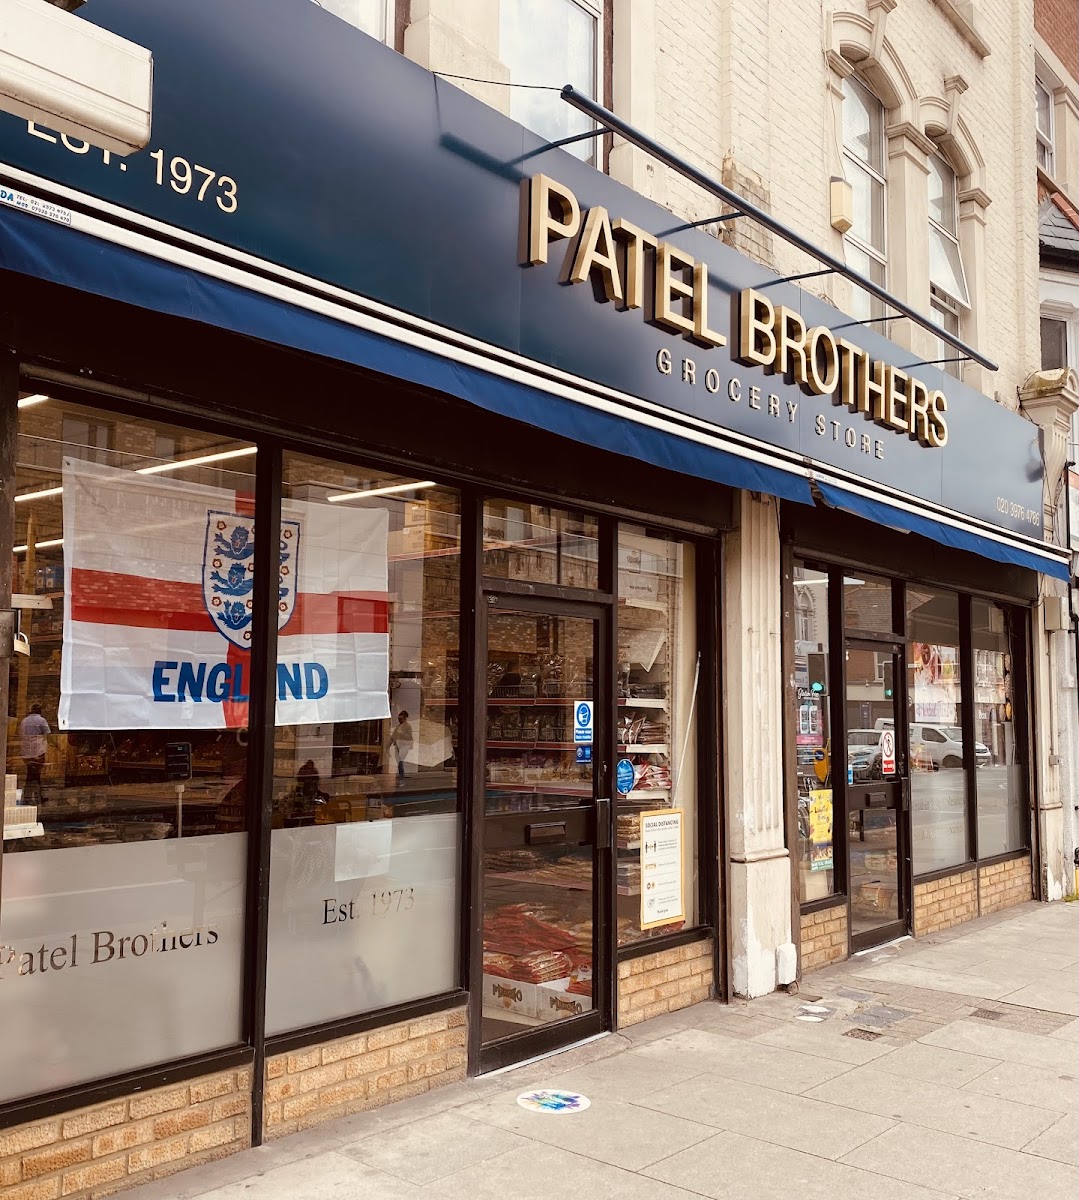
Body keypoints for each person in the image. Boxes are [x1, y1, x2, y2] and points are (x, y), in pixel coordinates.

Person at [19, 703, 50, 802]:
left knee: (32, 774)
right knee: (35, 775)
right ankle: (35, 797)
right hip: (38, 751)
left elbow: (21, 734)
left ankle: (30, 796)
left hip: (26, 752)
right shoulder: (41, 720)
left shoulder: (24, 721)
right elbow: (47, 733)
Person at [387, 710, 413, 781]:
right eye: (399, 719)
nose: (400, 721)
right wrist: (387, 747)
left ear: (404, 719)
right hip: (398, 746)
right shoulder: (398, 727)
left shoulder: (408, 726)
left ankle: (401, 777)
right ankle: (400, 776)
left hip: (404, 746)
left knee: (400, 761)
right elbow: (392, 737)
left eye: (401, 719)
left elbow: (409, 737)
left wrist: (402, 734)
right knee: (398, 762)